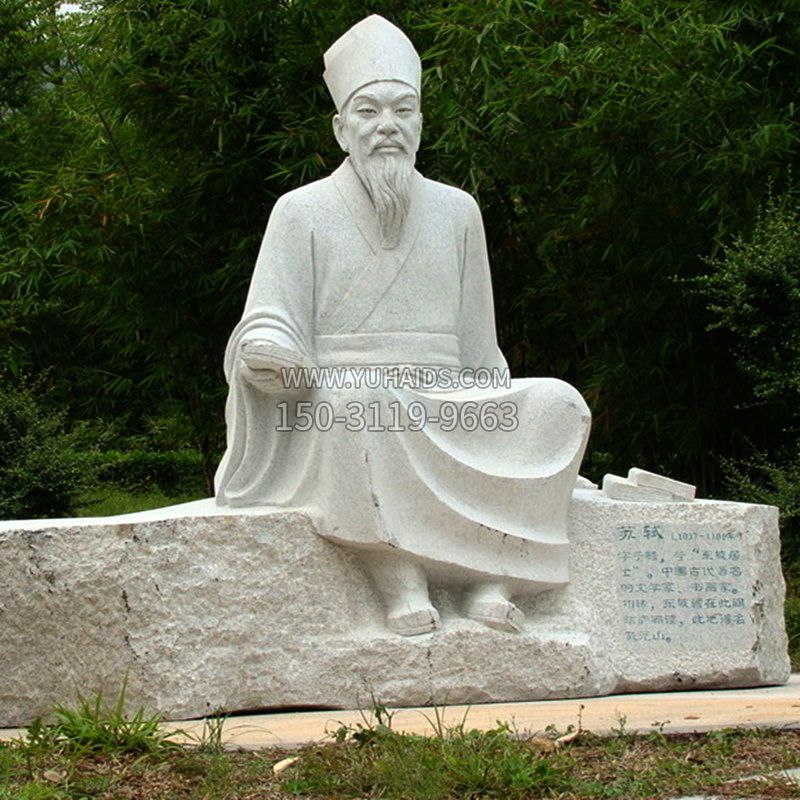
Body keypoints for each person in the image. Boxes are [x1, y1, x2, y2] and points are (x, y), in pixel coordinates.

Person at [215, 15, 591, 636]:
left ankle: (495, 577)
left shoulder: (458, 211)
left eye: (403, 110)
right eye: (368, 111)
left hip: (450, 398)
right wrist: (271, 353)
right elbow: (270, 320)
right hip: (347, 398)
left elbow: (480, 347)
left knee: (558, 405)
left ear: (419, 123)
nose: (387, 125)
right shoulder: (300, 211)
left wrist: (500, 404)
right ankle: (399, 577)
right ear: (341, 128)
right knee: (362, 405)